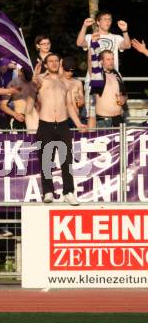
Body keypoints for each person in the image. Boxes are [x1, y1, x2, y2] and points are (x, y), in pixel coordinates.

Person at [33, 54, 87, 206]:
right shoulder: (41, 79)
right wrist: (35, 75)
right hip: (46, 123)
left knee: (66, 160)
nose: (54, 63)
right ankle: (48, 191)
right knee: (46, 160)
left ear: (60, 63)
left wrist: (78, 123)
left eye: (56, 61)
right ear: (46, 64)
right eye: (51, 61)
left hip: (63, 124)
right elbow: (34, 85)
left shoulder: (65, 83)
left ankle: (68, 192)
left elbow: (69, 105)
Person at [76, 11, 131, 127]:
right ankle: (92, 137)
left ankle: (116, 130)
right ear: (98, 22)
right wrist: (85, 26)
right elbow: (80, 43)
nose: (108, 21)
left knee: (116, 106)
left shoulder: (115, 37)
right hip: (94, 77)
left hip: (112, 79)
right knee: (92, 112)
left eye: (109, 19)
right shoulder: (90, 36)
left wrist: (125, 31)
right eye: (104, 19)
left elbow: (127, 45)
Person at [89, 33, 126, 128]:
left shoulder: (117, 75)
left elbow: (125, 95)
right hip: (104, 121)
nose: (111, 61)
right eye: (108, 59)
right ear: (101, 61)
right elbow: (94, 58)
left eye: (112, 59)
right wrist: (93, 43)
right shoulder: (97, 74)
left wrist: (124, 99)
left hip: (119, 119)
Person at [61, 57, 85, 126]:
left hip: (76, 117)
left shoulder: (78, 83)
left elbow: (82, 99)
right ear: (62, 68)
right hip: (63, 118)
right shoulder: (58, 82)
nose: (69, 73)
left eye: (71, 71)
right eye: (67, 70)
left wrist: (82, 101)